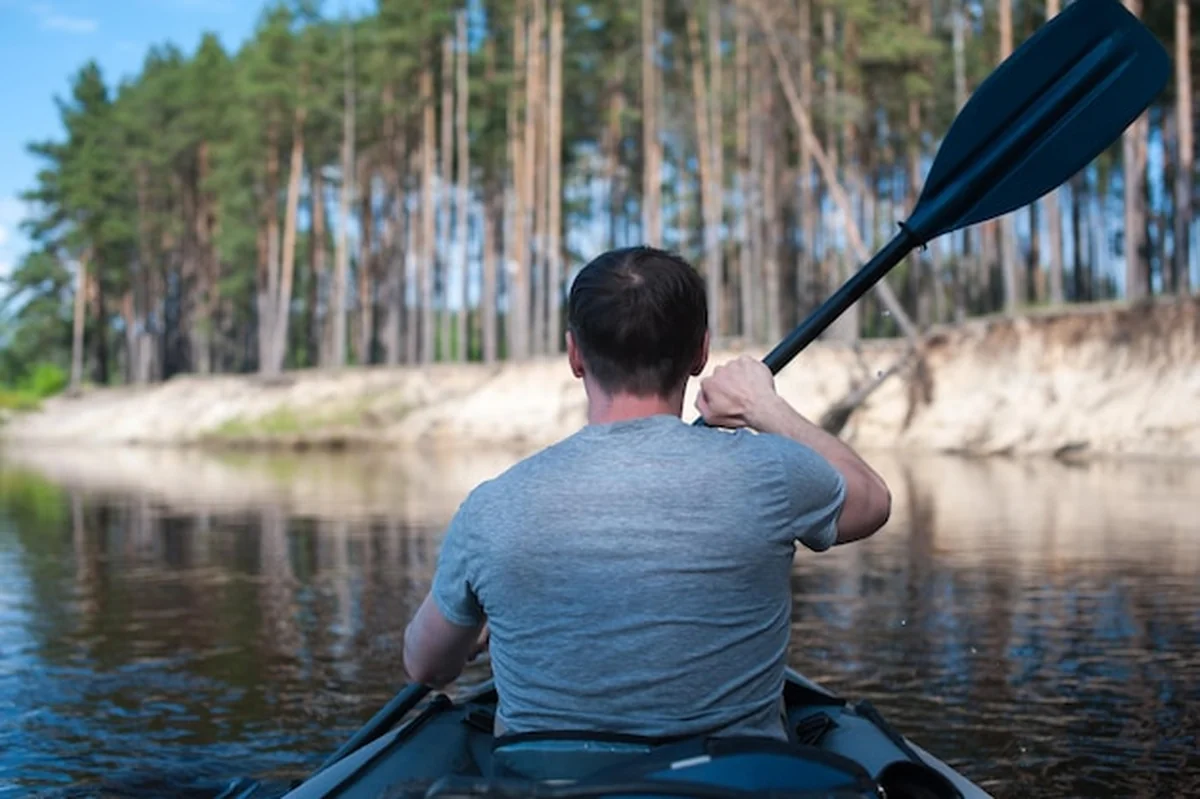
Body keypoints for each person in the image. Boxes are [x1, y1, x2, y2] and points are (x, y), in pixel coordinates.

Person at [403, 245, 891, 744]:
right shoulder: (771, 474)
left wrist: (479, 624)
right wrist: (765, 408)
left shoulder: (491, 509)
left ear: (575, 354)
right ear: (701, 352)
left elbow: (426, 666)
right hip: (735, 783)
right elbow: (872, 500)